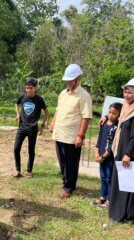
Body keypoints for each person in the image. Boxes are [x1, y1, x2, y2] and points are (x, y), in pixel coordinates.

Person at [109, 78, 134, 223]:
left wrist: (128, 154)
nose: (127, 96)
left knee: (130, 184)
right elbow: (119, 122)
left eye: (130, 93)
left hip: (131, 154)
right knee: (121, 181)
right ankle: (118, 211)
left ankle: (128, 215)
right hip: (123, 150)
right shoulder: (128, 108)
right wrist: (105, 119)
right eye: (125, 92)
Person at [49, 64, 92, 199]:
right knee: (62, 161)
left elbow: (86, 117)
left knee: (71, 162)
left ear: (78, 79)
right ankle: (65, 181)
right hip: (59, 132)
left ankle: (69, 186)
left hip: (72, 136)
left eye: (71, 80)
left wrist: (81, 135)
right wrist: (53, 122)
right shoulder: (63, 93)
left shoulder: (84, 96)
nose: (69, 83)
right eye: (67, 81)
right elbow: (58, 110)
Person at [13, 78, 49, 178]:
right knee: (16, 148)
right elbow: (16, 103)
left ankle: (29, 171)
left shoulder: (39, 99)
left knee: (31, 150)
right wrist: (17, 114)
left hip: (33, 128)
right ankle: (18, 170)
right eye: (27, 88)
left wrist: (42, 126)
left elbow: (47, 113)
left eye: (31, 88)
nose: (29, 90)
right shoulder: (23, 97)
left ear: (35, 88)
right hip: (22, 127)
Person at [93, 102, 122, 209]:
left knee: (109, 179)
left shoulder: (116, 128)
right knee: (103, 178)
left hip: (108, 158)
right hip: (101, 156)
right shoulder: (104, 124)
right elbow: (100, 139)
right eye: (109, 112)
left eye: (114, 113)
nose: (111, 115)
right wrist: (96, 152)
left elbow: (111, 144)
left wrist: (104, 156)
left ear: (119, 114)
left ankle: (109, 200)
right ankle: (102, 197)